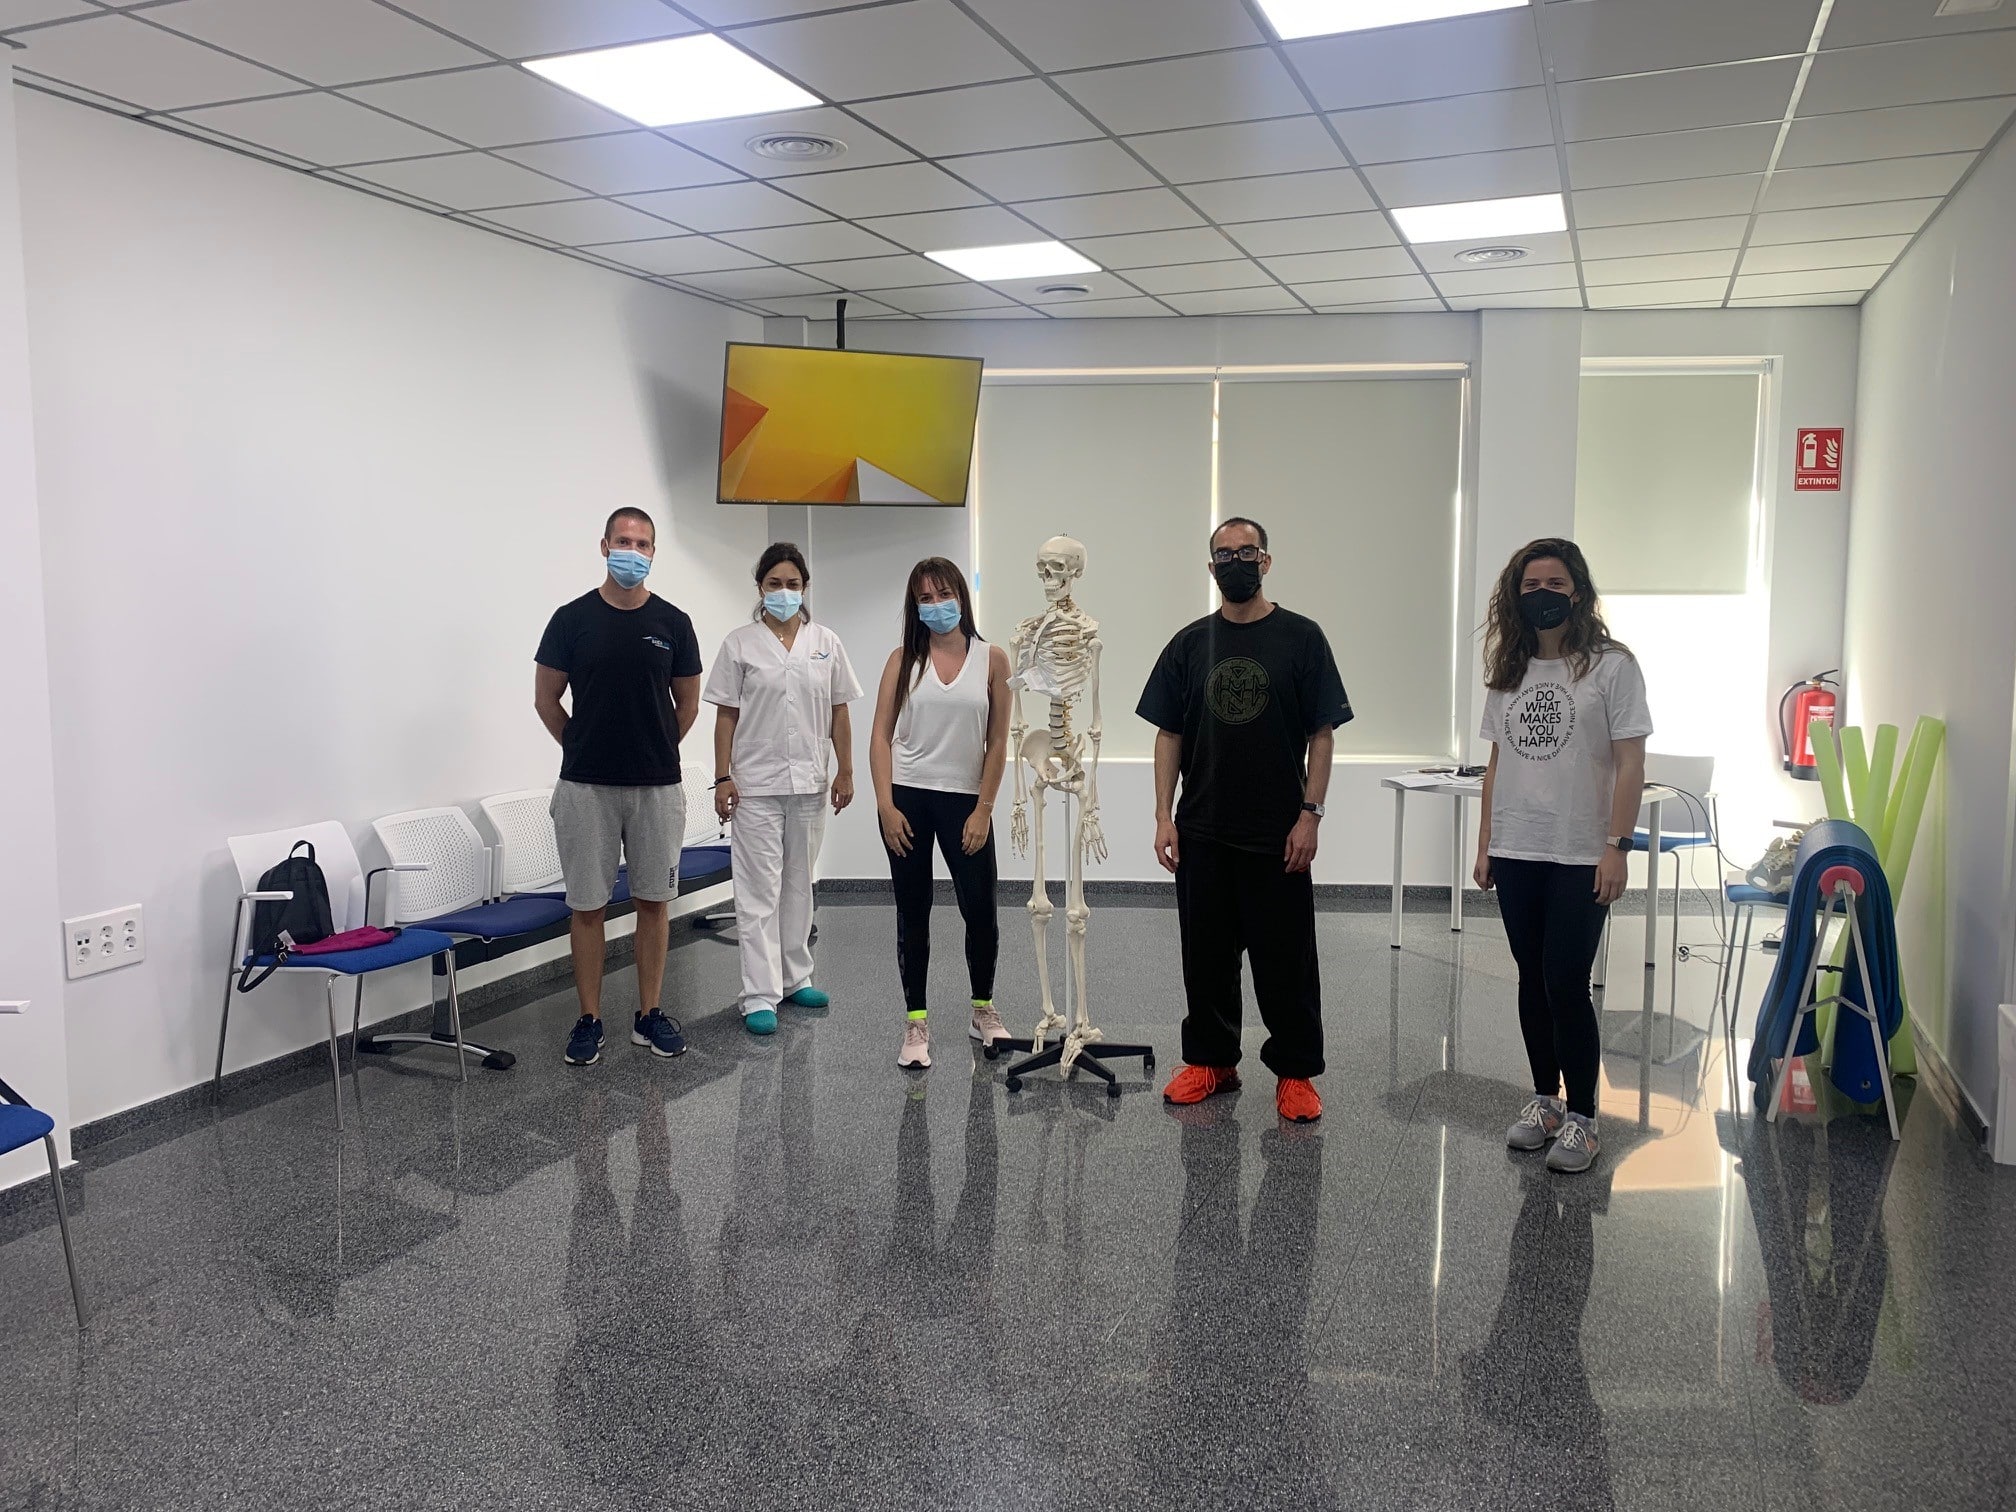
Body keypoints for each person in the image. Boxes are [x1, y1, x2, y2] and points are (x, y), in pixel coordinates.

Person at [1137, 517, 1352, 1124]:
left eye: (1247, 552)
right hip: (1202, 830)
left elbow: (1322, 733)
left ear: (1266, 561)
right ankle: (1212, 1061)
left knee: (1287, 962)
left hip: (1277, 833)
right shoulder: (1188, 644)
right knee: (1205, 958)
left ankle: (1295, 1072)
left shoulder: (1302, 638)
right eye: (1225, 555)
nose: (1236, 562)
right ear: (1211, 568)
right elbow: (1168, 734)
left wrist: (1310, 816)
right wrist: (1163, 816)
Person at [1473, 538, 1649, 1175]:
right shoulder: (1511, 669)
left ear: (1578, 592)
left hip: (1580, 851)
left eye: (1554, 584)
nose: (1542, 595)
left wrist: (1616, 846)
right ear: (1514, 595)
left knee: (1565, 981)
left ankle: (1584, 1118)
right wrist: (1487, 842)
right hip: (1518, 847)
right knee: (1531, 976)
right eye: (1530, 585)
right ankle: (1545, 1100)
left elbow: (1630, 763)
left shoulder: (1611, 666)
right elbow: (1497, 763)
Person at [535, 507, 701, 1067]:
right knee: (588, 906)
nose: (633, 551)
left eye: (643, 543)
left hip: (657, 787)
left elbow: (688, 703)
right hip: (586, 789)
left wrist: (655, 746)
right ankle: (589, 1019)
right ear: (604, 546)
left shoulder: (674, 623)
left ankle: (649, 1014)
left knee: (654, 902)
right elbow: (545, 698)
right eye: (623, 541)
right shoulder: (571, 619)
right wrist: (580, 747)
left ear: (654, 552)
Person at [706, 543, 862, 1035]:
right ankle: (759, 994)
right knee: (758, 893)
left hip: (810, 783)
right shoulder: (740, 644)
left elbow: (839, 710)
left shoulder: (826, 642)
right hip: (755, 786)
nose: (784, 592)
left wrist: (845, 771)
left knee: (799, 885)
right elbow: (725, 715)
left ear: (805, 587)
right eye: (774, 583)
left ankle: (796, 978)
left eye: (793, 584)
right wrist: (723, 776)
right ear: (760, 588)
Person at [868, 558, 1014, 1069]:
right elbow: (880, 737)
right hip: (907, 798)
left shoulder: (993, 659)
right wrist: (885, 806)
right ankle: (916, 1021)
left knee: (981, 910)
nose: (936, 606)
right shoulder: (902, 661)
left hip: (965, 801)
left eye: (944, 594)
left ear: (962, 598)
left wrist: (984, 810)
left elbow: (998, 742)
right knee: (913, 912)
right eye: (925, 598)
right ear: (915, 606)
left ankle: (982, 1008)